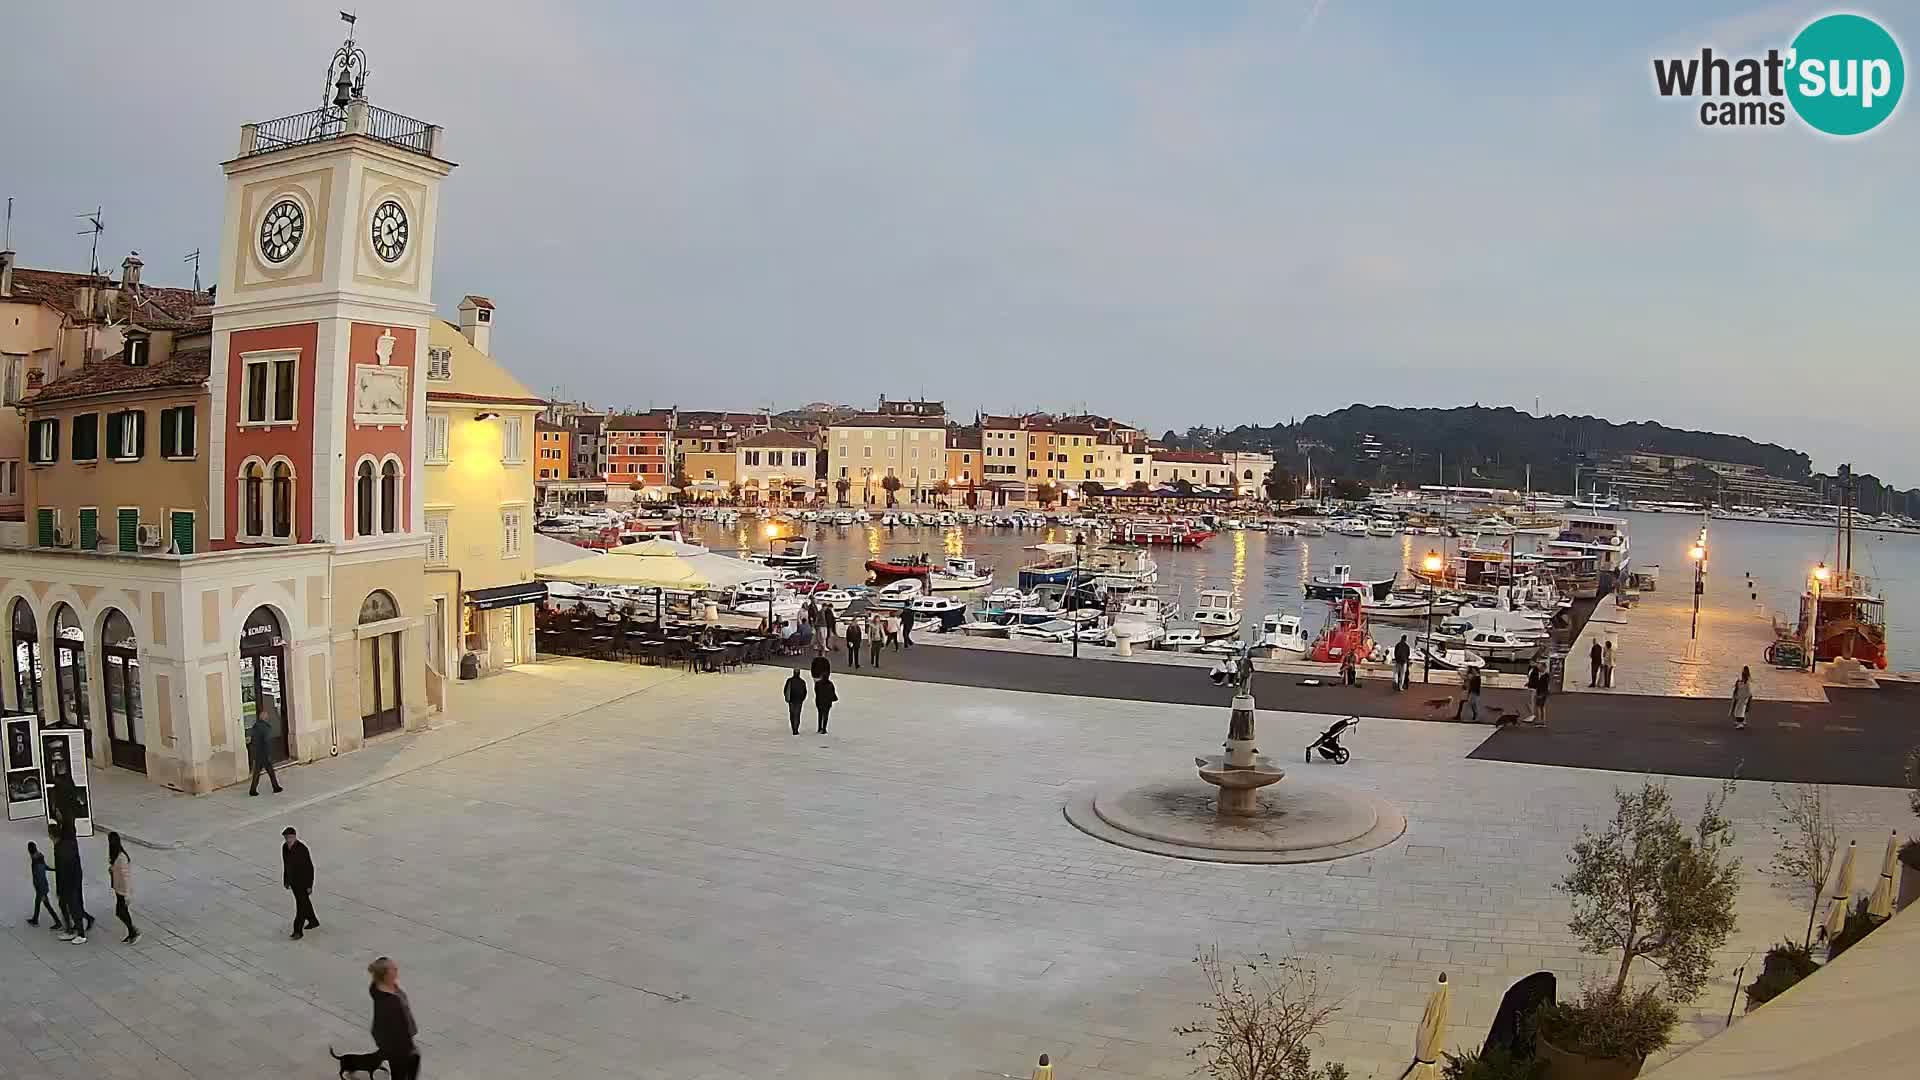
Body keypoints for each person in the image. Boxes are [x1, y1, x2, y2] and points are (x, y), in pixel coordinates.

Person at [368, 956, 421, 1080]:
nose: (396, 968)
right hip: (397, 1045)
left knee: (406, 1066)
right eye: (393, 968)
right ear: (386, 975)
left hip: (393, 1041)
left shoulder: (380, 986)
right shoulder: (390, 1003)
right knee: (401, 1071)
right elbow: (399, 1030)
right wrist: (409, 1048)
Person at [53, 818, 91, 944]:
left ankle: (80, 933)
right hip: (74, 880)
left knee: (73, 907)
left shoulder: (60, 849)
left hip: (68, 884)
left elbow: (62, 871)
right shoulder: (67, 844)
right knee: (65, 905)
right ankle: (70, 929)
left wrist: (60, 887)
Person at [282, 827, 319, 940]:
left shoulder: (302, 849)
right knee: (304, 902)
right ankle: (313, 920)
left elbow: (309, 868)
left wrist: (309, 885)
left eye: (289, 837)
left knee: (301, 905)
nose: (287, 839)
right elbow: (286, 865)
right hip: (293, 882)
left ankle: (297, 930)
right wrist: (286, 880)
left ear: (294, 836)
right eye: (286, 837)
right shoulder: (285, 847)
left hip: (303, 882)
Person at [107, 831, 138, 944]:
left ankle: (133, 931)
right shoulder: (116, 856)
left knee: (120, 912)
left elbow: (125, 877)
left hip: (122, 891)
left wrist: (127, 895)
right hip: (118, 888)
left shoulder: (121, 858)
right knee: (122, 911)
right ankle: (131, 932)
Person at [27, 841, 62, 931]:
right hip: (42, 887)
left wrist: (41, 892)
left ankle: (58, 922)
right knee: (38, 903)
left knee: (47, 905)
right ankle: (35, 919)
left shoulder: (35, 862)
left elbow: (39, 878)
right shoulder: (39, 857)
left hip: (41, 888)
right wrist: (54, 869)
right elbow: (45, 867)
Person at [247, 713, 282, 796]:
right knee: (270, 771)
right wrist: (268, 754)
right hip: (264, 754)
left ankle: (253, 790)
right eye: (267, 717)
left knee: (257, 773)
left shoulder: (255, 726)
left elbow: (252, 741)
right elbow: (267, 742)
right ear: (266, 718)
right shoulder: (266, 727)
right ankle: (276, 787)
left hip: (257, 753)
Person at [1525, 661, 1551, 726]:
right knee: (1541, 707)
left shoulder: (1545, 675)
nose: (1539, 668)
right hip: (1540, 692)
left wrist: (1541, 694)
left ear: (1543, 668)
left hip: (1542, 692)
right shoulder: (1542, 675)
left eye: (1540, 667)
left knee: (1539, 707)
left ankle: (1540, 721)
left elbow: (1544, 686)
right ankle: (1542, 720)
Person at [783, 668, 808, 735]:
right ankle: (796, 729)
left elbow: (785, 690)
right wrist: (802, 699)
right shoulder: (802, 682)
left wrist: (787, 698)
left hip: (791, 700)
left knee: (792, 714)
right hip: (799, 700)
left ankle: (793, 728)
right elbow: (805, 692)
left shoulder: (789, 680)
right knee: (797, 714)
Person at [1731, 665, 1754, 730]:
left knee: (1740, 710)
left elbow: (1747, 691)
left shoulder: (1745, 682)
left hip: (1742, 698)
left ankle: (1740, 723)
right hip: (1742, 698)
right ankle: (1741, 722)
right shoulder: (1745, 682)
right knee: (1741, 710)